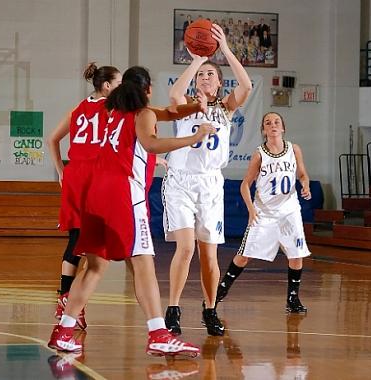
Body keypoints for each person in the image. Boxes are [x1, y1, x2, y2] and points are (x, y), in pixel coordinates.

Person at [48, 66, 215, 356]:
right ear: (147, 90)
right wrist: (194, 137)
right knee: (143, 264)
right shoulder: (142, 114)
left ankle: (64, 330)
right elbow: (151, 143)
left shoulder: (111, 111)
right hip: (124, 195)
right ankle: (159, 333)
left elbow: (167, 113)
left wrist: (195, 107)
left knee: (95, 268)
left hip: (95, 194)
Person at [163, 23, 252, 337]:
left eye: (211, 74)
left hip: (211, 184)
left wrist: (224, 49)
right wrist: (198, 59)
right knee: (185, 248)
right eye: (202, 74)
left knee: (209, 254)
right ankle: (173, 309)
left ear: (219, 82)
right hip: (181, 182)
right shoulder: (186, 105)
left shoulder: (226, 109)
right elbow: (174, 92)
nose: (205, 77)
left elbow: (247, 86)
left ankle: (210, 309)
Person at [47, 62, 122, 330]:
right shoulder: (112, 109)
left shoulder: (77, 108)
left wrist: (61, 172)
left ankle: (67, 300)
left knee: (78, 238)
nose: (122, 87)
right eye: (119, 83)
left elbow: (52, 139)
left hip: (74, 175)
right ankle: (67, 301)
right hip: (93, 177)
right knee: (86, 244)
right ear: (107, 86)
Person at [215, 112, 311, 314]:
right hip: (264, 212)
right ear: (264, 130)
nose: (273, 125)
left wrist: (305, 184)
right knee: (244, 256)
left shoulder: (294, 149)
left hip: (289, 210)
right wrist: (251, 210)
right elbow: (245, 185)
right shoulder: (260, 154)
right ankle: (219, 293)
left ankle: (292, 298)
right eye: (268, 123)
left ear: (283, 127)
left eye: (277, 121)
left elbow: (302, 173)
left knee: (296, 255)